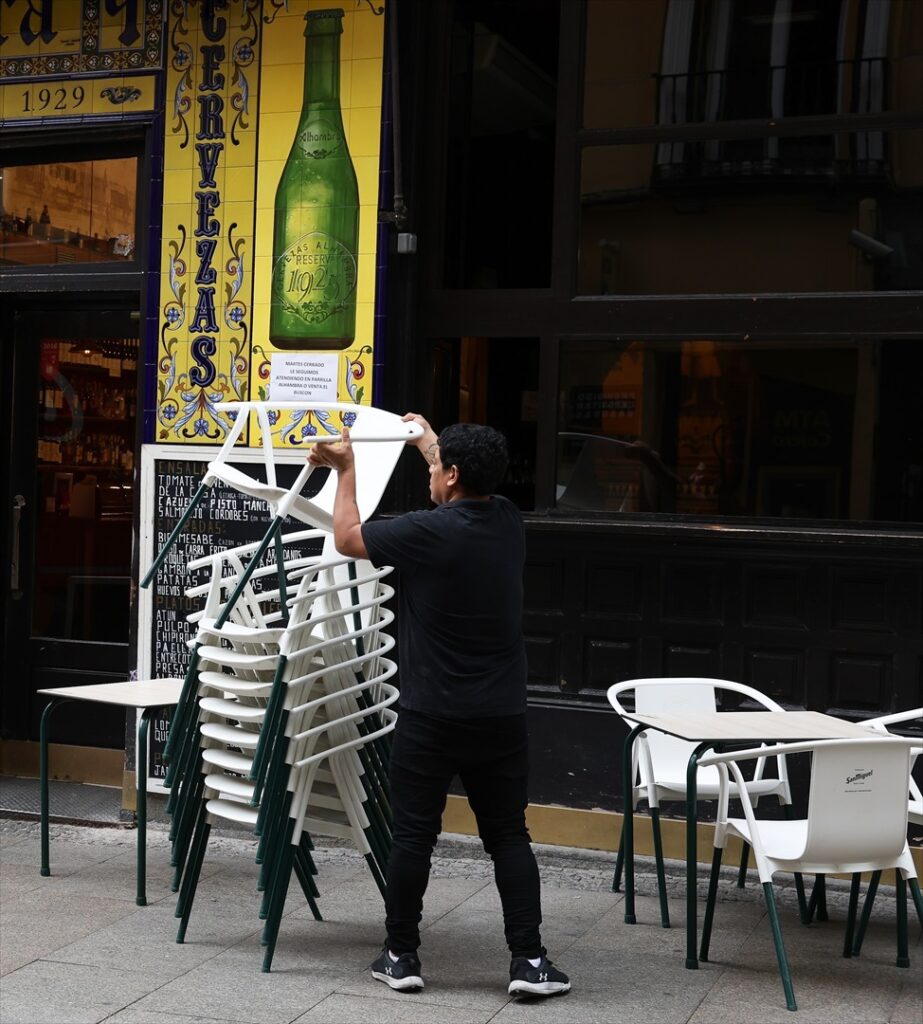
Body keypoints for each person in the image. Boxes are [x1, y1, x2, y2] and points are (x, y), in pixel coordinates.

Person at [307, 414, 570, 1000]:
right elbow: (451, 475)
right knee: (508, 836)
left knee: (414, 838)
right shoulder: (507, 521)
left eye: (437, 466)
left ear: (450, 477)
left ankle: (401, 955)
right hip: (499, 715)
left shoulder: (426, 531)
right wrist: (427, 441)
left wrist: (346, 469)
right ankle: (529, 961)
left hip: (432, 715)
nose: (432, 474)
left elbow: (348, 538)